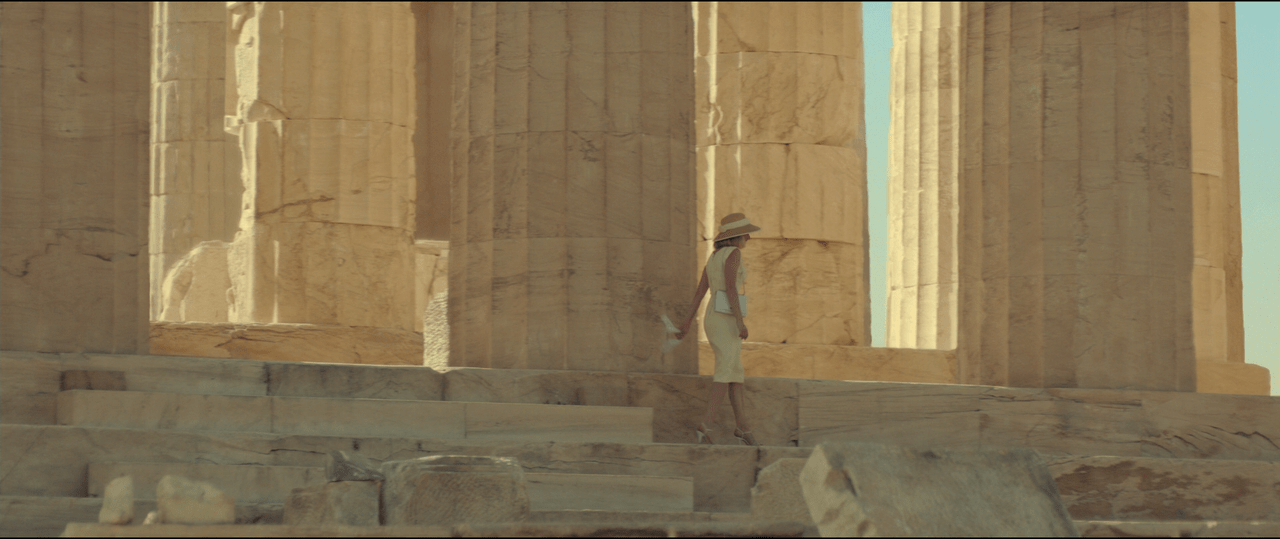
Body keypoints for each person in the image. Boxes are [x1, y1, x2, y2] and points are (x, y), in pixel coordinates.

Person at [675, 212, 760, 446]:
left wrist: (686, 322)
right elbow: (731, 288)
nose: (748, 238)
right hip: (726, 319)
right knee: (725, 371)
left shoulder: (713, 257)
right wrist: (740, 321)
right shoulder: (734, 254)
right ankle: (706, 425)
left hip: (713, 316)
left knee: (734, 372)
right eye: (745, 234)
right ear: (736, 236)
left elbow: (699, 293)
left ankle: (742, 427)